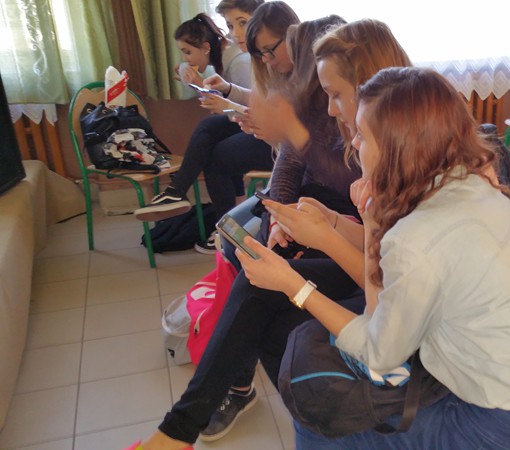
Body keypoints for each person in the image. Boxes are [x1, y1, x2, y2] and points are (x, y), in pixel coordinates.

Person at [243, 66, 510, 450]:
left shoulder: (419, 232)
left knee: (319, 423)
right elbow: (391, 296)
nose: (354, 142)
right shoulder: (466, 182)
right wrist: (355, 223)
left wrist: (292, 284)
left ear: (397, 148)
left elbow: (380, 351)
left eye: (363, 135)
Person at [123, 15, 371, 450]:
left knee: (262, 289)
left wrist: (322, 226)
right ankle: (225, 400)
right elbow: (289, 169)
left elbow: (371, 238)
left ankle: (191, 421)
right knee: (241, 245)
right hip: (327, 221)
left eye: (272, 49)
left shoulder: (372, 125)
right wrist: (278, 220)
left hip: (349, 239)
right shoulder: (325, 102)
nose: (269, 59)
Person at [133, 1, 293, 255]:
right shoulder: (257, 58)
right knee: (209, 127)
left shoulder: (249, 61)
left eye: (242, 23)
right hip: (269, 129)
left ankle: (226, 227)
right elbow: (260, 101)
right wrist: (226, 91)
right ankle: (177, 193)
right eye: (230, 26)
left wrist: (226, 104)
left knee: (217, 157)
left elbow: (271, 115)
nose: (235, 34)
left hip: (280, 142)